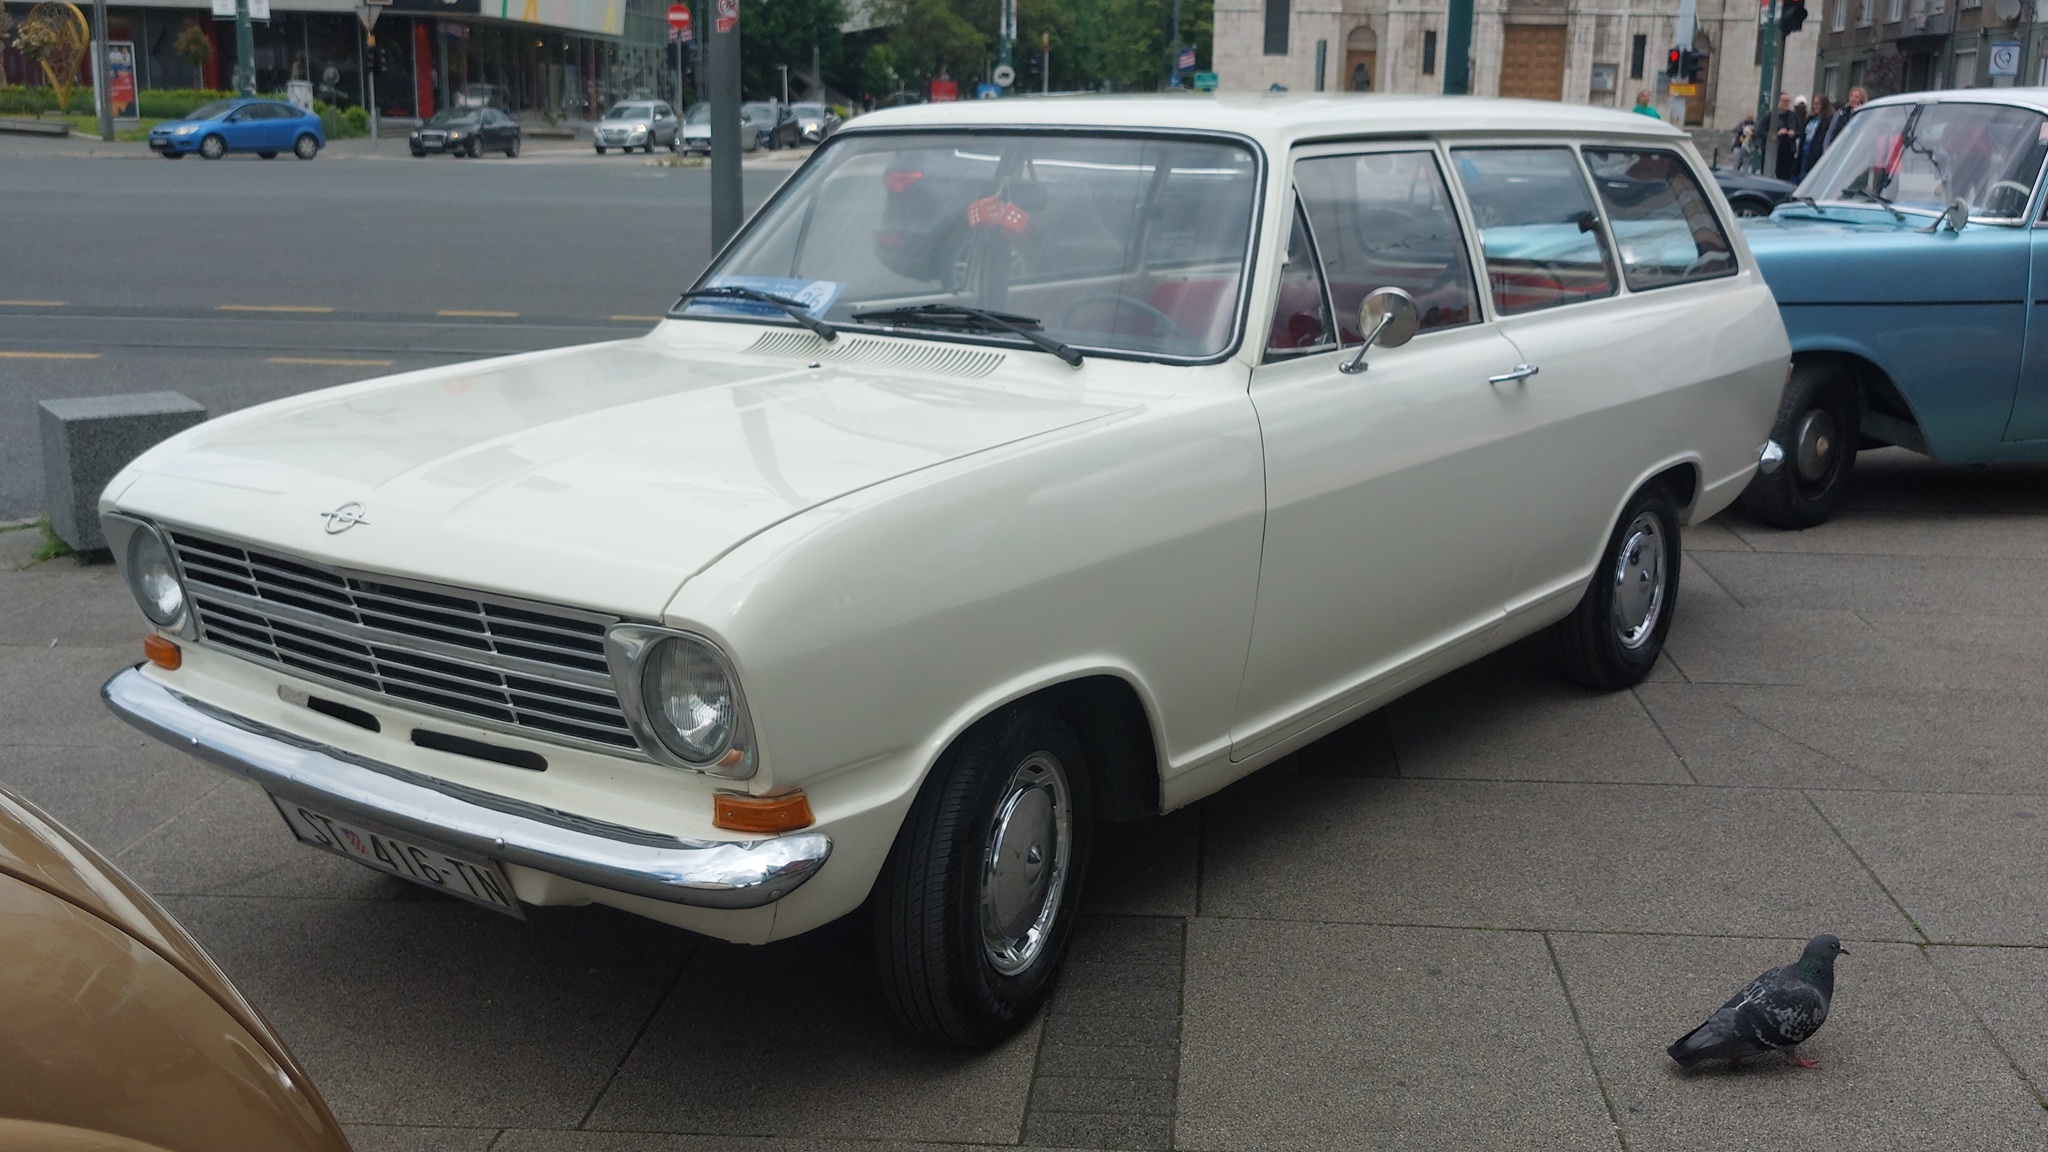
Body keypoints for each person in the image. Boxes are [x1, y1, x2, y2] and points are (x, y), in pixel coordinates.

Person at [1800, 94, 1835, 178]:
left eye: (1817, 104)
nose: (1814, 106)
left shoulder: (1827, 120)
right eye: (1814, 104)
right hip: (1805, 152)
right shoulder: (1811, 118)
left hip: (1816, 154)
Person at [1774, 92, 1805, 180]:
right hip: (1776, 151)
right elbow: (1761, 131)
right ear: (1779, 102)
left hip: (1789, 151)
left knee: (1787, 176)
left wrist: (1794, 133)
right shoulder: (1772, 115)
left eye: (1788, 101)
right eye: (1785, 101)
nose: (1787, 103)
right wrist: (1777, 134)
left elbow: (1800, 131)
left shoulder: (1792, 115)